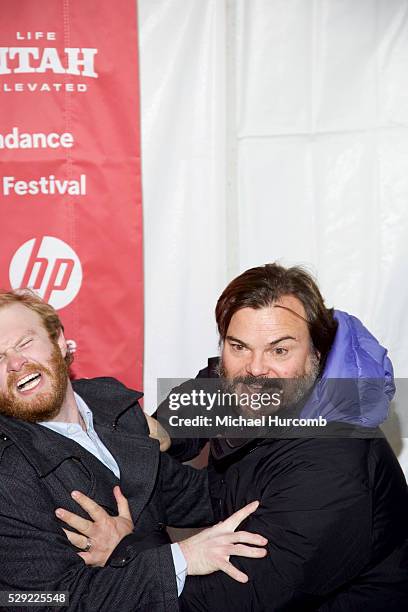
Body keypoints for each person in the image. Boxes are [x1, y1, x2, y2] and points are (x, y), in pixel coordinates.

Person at [53, 263, 408, 610]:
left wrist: (127, 548)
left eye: (279, 350)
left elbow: (240, 597)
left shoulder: (334, 463)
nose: (255, 368)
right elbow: (201, 398)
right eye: (239, 346)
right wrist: (158, 431)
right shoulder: (262, 386)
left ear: (317, 352)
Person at [0, 289, 268, 612]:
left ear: (57, 340)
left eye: (25, 343)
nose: (16, 363)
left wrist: (287, 482)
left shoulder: (109, 404)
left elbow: (194, 495)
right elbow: (46, 604)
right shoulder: (8, 474)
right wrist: (180, 558)